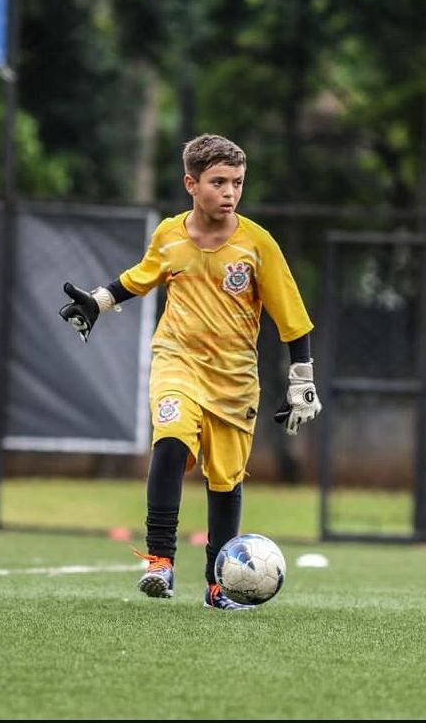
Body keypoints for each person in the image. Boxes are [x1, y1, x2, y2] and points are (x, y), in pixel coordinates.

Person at [59, 133, 321, 610]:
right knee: (171, 436)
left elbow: (291, 315)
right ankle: (160, 561)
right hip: (176, 360)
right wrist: (99, 301)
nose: (230, 192)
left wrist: (302, 379)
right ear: (191, 184)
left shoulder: (257, 244)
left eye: (237, 183)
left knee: (224, 480)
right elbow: (142, 274)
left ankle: (218, 585)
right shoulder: (169, 234)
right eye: (218, 182)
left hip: (235, 379)